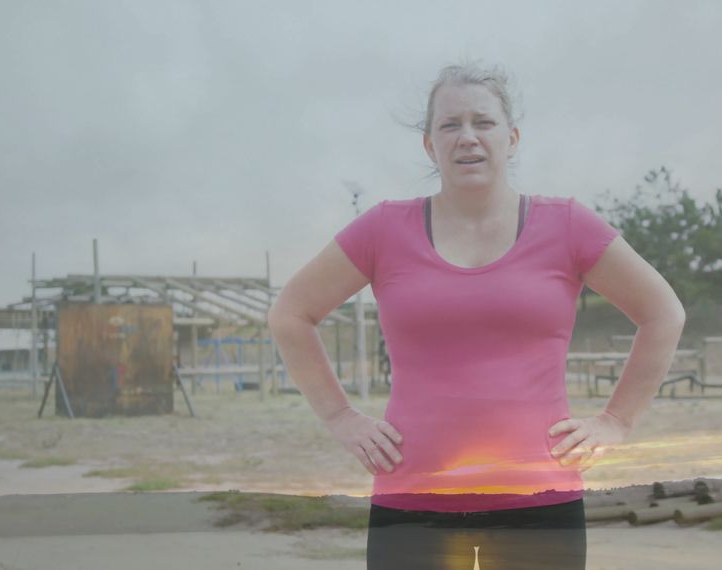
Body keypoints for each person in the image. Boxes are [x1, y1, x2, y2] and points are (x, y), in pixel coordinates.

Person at [268, 61, 686, 570]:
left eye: (483, 122)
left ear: (510, 138)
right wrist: (340, 418)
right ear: (430, 144)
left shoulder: (568, 225)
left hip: (539, 501)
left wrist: (616, 421)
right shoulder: (382, 229)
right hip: (412, 498)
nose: (468, 137)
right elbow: (291, 313)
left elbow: (663, 313)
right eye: (450, 125)